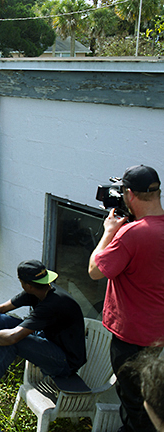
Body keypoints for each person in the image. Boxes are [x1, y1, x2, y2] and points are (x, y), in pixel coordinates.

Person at [88, 164, 164, 432]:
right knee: (150, 401)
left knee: (134, 403)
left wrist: (109, 230)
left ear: (130, 195)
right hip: (158, 338)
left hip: (131, 339)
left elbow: (96, 270)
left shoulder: (131, 234)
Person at [0, 260, 86, 405]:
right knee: (1, 320)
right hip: (48, 342)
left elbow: (13, 337)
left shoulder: (53, 303)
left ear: (26, 284)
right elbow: (2, 308)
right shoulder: (39, 290)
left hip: (64, 361)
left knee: (13, 342)